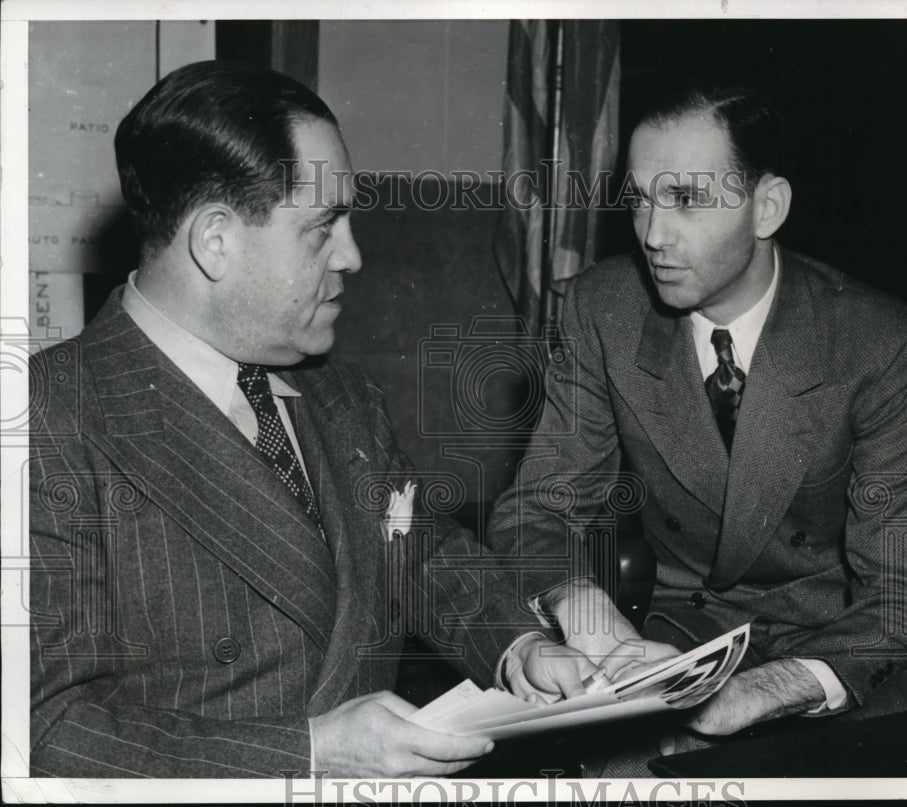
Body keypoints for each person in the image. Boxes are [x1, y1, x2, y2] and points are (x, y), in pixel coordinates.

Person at [28, 60, 596, 779]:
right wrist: (311, 751)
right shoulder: (48, 418)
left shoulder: (341, 395)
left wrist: (518, 643)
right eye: (324, 226)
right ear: (215, 242)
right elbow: (45, 733)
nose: (353, 255)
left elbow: (419, 553)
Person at [486, 86, 907, 760]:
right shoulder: (603, 309)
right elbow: (537, 510)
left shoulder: (875, 341)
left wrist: (758, 690)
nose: (652, 235)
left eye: (686, 200)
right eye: (642, 198)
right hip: (682, 634)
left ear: (767, 207)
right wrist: (589, 616)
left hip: (844, 642)